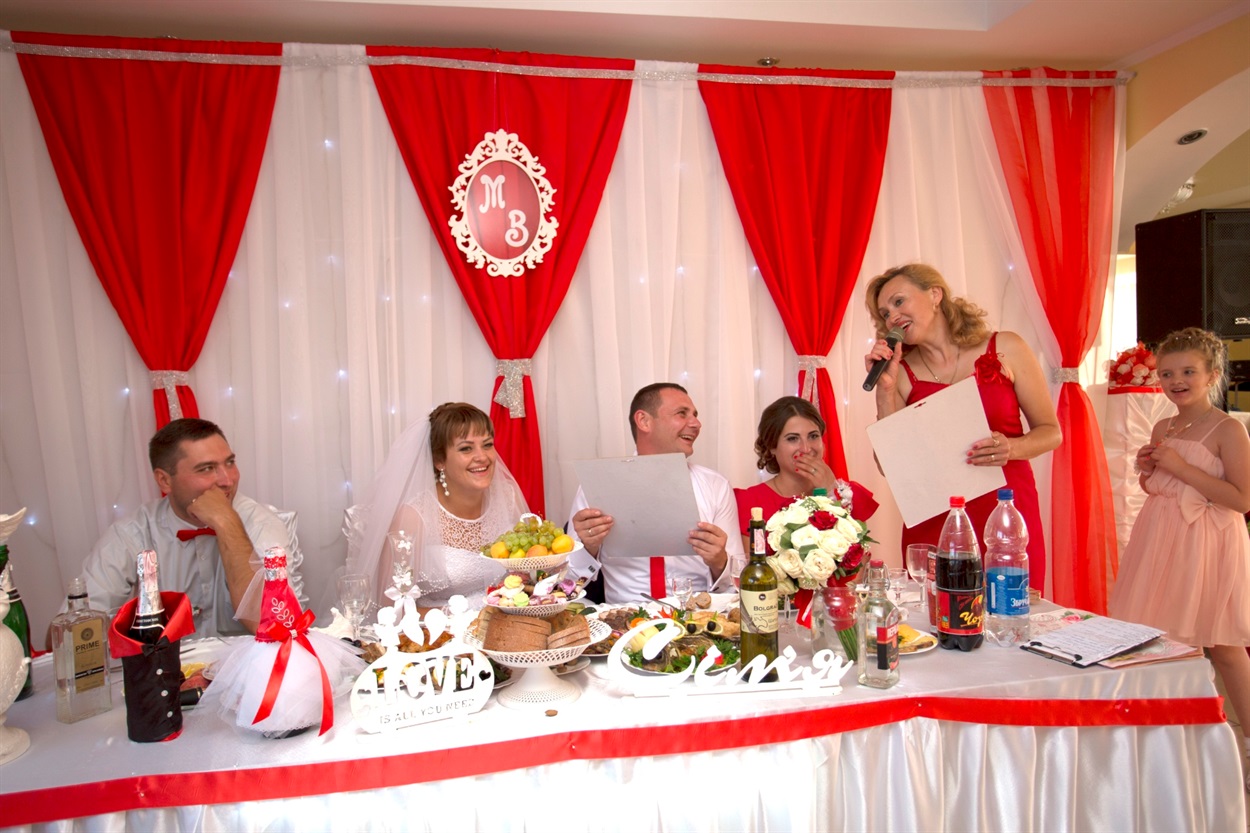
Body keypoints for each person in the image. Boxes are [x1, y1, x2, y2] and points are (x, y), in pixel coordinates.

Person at [1108, 328, 1250, 790]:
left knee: (1222, 643)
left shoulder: (1228, 429)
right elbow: (1160, 488)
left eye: (1188, 371)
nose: (1176, 381)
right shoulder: (1163, 426)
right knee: (1160, 637)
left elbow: (1241, 499)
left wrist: (1182, 468)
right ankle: (1175, 740)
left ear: (1212, 374)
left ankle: (1247, 740)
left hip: (1207, 540)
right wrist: (1149, 470)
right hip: (1160, 536)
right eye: (1167, 373)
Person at [862, 263, 1061, 591]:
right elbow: (889, 466)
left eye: (898, 302)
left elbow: (1051, 431)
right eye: (884, 314)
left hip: (1005, 513)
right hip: (936, 523)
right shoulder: (900, 374)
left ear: (935, 294)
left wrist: (1011, 448)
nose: (892, 317)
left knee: (1010, 609)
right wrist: (885, 391)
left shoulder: (1007, 347)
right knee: (942, 614)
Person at [82, 418, 304, 637]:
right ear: (164, 481)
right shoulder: (131, 534)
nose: (227, 480)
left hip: (244, 661)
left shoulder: (261, 523)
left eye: (229, 463)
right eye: (206, 468)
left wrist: (226, 522)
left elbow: (276, 625)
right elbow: (81, 633)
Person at [567, 383, 743, 603]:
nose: (696, 424)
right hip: (623, 618)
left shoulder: (716, 486)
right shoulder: (597, 486)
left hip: (696, 616)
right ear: (644, 421)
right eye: (682, 413)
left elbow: (736, 587)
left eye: (695, 416)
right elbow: (567, 584)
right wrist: (588, 548)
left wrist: (720, 562)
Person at [345, 403, 528, 608]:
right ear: (440, 460)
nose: (482, 457)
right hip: (440, 627)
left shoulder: (508, 498)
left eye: (487, 445)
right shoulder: (413, 517)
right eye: (466, 448)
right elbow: (392, 607)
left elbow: (531, 571)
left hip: (504, 622)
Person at [734, 395, 879, 554]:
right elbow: (752, 565)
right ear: (771, 446)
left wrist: (832, 492)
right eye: (792, 439)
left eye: (813, 436)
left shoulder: (847, 496)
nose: (806, 448)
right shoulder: (750, 502)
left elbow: (858, 560)